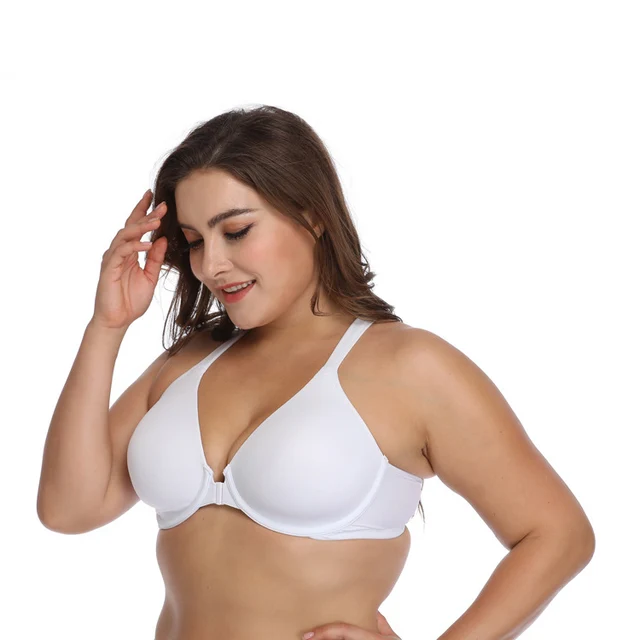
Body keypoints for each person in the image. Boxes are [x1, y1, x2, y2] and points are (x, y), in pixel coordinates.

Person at [37, 105, 595, 640]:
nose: (211, 265)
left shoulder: (408, 366)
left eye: (237, 231)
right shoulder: (187, 362)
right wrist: (107, 327)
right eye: (195, 241)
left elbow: (558, 534)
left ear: (313, 215)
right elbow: (68, 509)